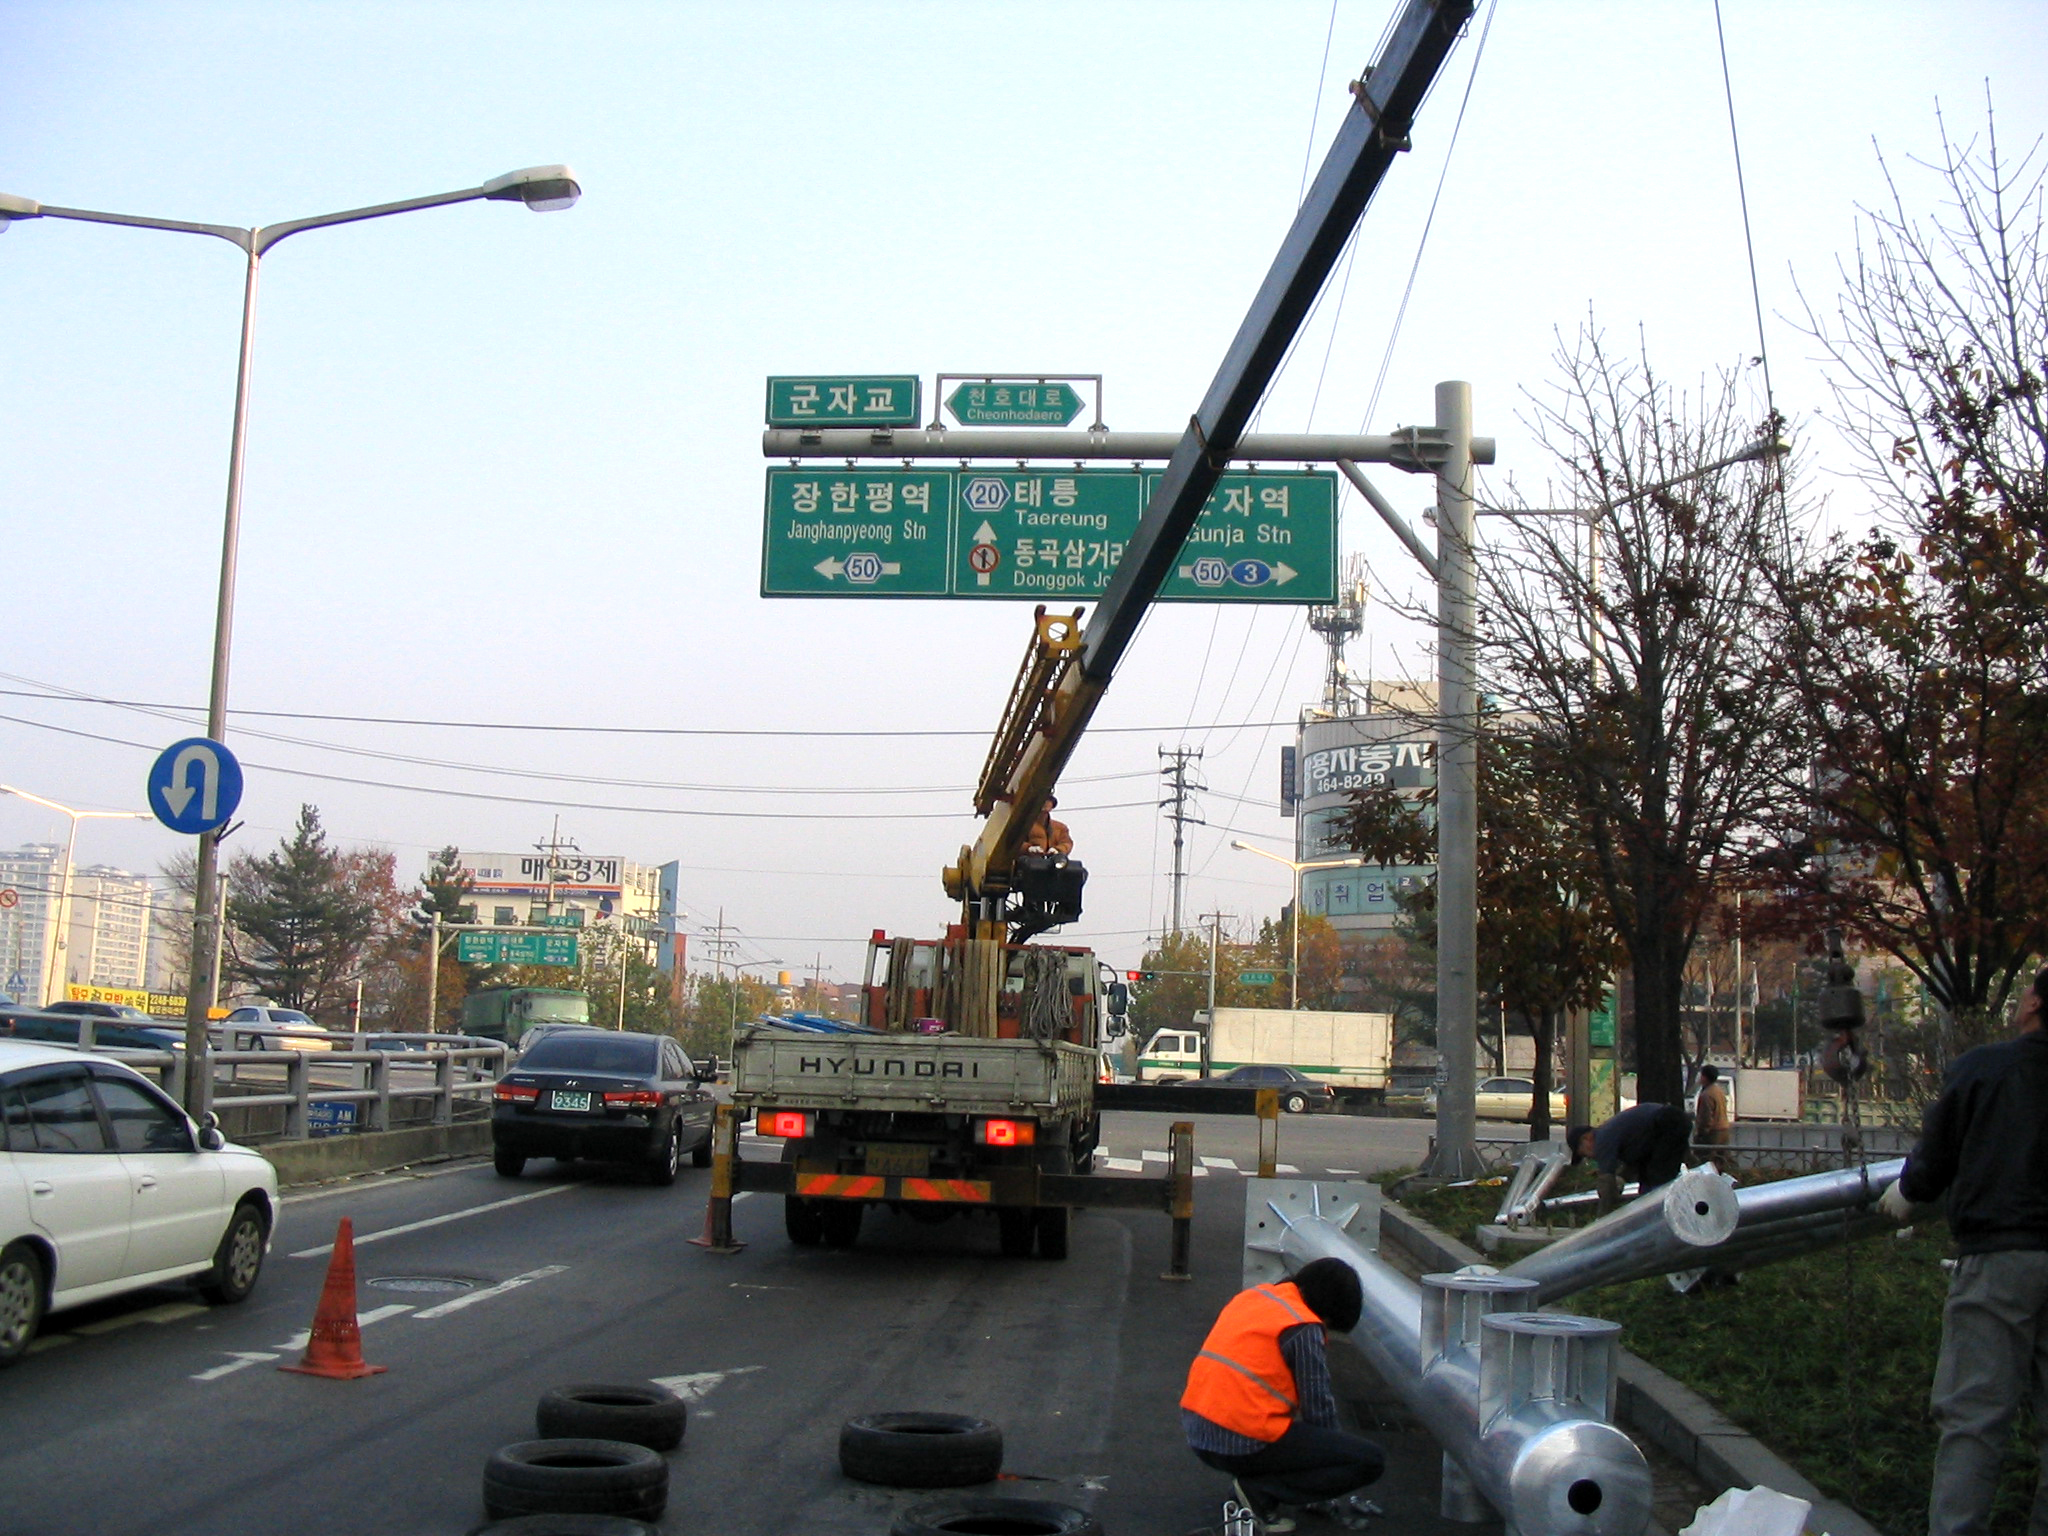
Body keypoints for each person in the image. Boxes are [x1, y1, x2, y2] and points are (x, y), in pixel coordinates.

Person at [1879, 968, 2048, 1536]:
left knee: (1975, 1416)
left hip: (1999, 1255)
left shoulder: (1986, 1069)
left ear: (2033, 1006)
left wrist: (1908, 1193)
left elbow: (1938, 1153)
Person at [1182, 1257, 1385, 1534]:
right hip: (1241, 1440)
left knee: (1294, 1438)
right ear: (1328, 1310)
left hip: (1200, 1431)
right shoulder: (1302, 1326)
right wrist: (1325, 1483)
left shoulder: (1254, 1297)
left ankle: (1254, 1486)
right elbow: (1319, 1409)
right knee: (1369, 1460)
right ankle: (1259, 1493)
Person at [1567, 1100, 1694, 1213]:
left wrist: (1604, 1214)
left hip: (1666, 1123)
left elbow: (1606, 1183)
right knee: (1647, 1181)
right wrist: (1622, 1177)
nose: (1589, 1158)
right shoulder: (1613, 1134)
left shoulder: (1601, 1140)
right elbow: (1636, 1160)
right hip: (1668, 1124)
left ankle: (1661, 1217)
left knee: (1657, 1183)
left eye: (1584, 1154)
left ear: (1586, 1139)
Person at [1693, 1065, 1732, 1171]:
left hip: (1712, 1134)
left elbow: (1706, 1118)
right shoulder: (1719, 1091)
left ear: (1705, 1077)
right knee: (1720, 1163)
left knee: (1707, 1164)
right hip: (1724, 1131)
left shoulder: (1706, 1095)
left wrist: (1701, 1134)